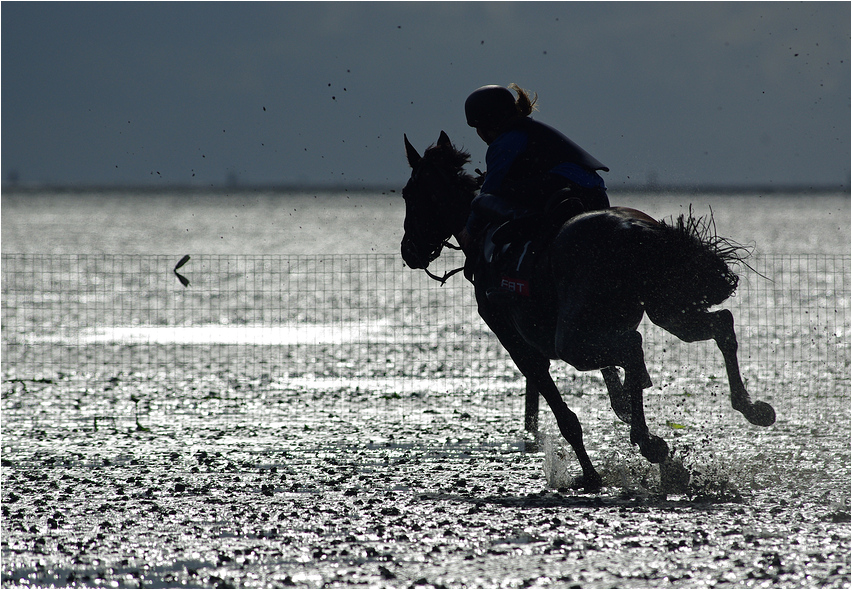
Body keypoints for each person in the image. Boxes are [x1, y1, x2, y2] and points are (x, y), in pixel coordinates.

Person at [457, 84, 610, 253]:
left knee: (481, 201)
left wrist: (469, 231)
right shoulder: (530, 130)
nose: (478, 134)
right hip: (597, 196)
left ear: (490, 124)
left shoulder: (504, 142)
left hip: (567, 192)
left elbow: (490, 190)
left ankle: (527, 226)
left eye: (478, 128)